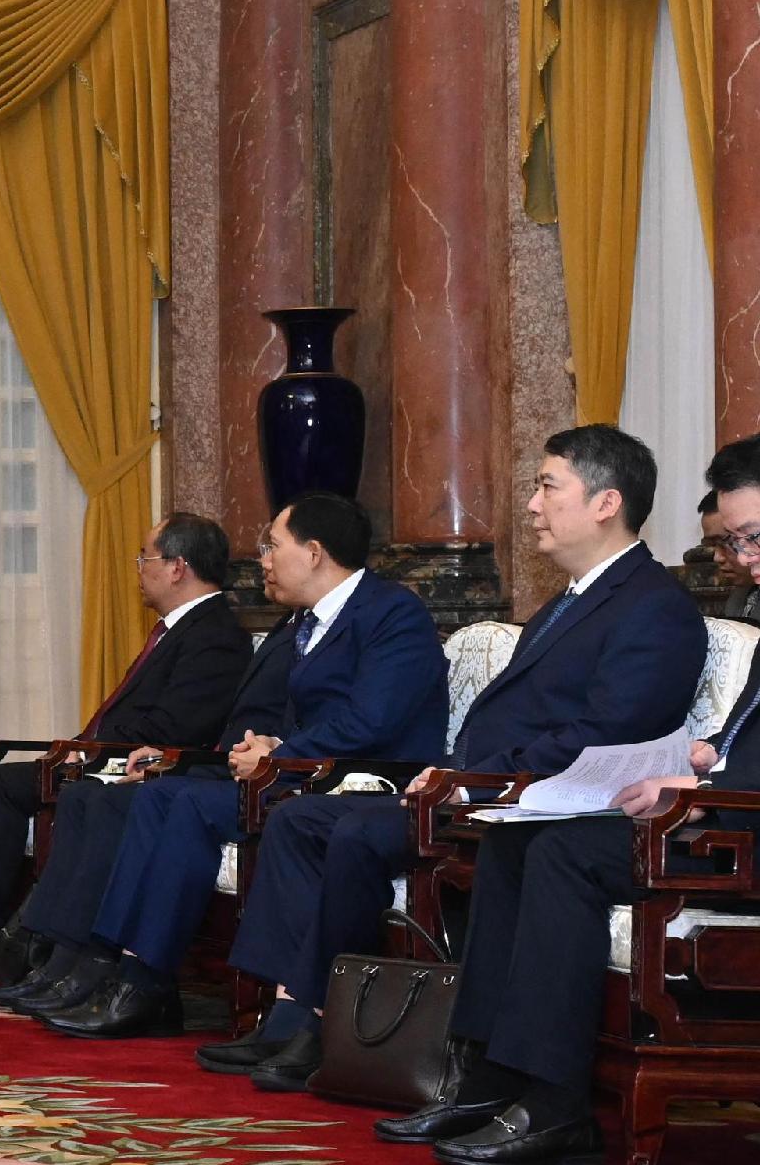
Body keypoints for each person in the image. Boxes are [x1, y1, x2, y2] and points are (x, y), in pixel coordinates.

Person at [387, 426, 760, 1165]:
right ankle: (488, 1073)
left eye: (751, 536)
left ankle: (556, 1103)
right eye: (734, 541)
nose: (742, 557)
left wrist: (715, 783)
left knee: (565, 852)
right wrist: (709, 751)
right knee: (521, 831)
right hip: (754, 825)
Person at [207, 425, 706, 1090]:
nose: (531, 505)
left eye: (547, 486)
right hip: (486, 789)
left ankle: (339, 1029)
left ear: (605, 503)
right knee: (304, 818)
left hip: (540, 801)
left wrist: (475, 784)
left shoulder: (654, 607)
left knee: (354, 828)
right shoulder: (570, 600)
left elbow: (610, 729)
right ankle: (293, 1014)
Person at [8, 491, 445, 1040]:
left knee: (185, 799)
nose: (262, 557)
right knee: (160, 794)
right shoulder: (303, 623)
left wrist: (278, 752)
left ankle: (152, 980)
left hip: (365, 783)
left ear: (313, 553)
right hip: (300, 777)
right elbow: (300, 714)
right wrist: (265, 743)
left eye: (273, 545)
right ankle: (130, 970)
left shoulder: (391, 612)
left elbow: (372, 719)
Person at [0, 512, 252, 982]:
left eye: (144, 557)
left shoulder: (215, 636)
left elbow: (179, 726)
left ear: (176, 567)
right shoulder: (179, 629)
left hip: (133, 768)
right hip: (103, 755)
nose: (139, 569)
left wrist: (89, 751)